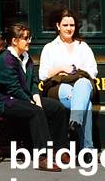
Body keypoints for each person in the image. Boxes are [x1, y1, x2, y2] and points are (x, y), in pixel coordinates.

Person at [0, 21, 68, 170]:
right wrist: (32, 103)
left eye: (29, 37)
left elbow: (33, 82)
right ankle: (43, 157)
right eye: (26, 38)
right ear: (14, 41)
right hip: (6, 101)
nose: (29, 41)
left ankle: (60, 150)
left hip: (24, 98)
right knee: (36, 111)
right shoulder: (4, 60)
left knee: (57, 108)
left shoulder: (26, 58)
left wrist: (37, 98)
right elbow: (13, 89)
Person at [37, 9, 97, 151]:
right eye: (65, 25)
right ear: (58, 26)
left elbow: (92, 72)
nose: (69, 28)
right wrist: (61, 68)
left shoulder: (83, 47)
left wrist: (72, 74)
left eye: (72, 25)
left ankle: (75, 121)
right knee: (85, 104)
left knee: (83, 84)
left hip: (81, 86)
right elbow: (43, 74)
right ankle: (87, 149)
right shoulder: (50, 48)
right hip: (59, 87)